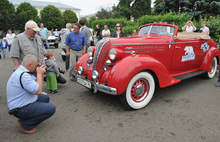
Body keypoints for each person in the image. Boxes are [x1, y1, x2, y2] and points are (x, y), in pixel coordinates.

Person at [6, 54, 56, 134]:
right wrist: (39, 74)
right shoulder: (23, 76)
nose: (37, 67)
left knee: (45, 98)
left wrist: (39, 74)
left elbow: (35, 84)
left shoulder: (21, 70)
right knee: (51, 109)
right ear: (30, 65)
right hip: (19, 108)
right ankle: (25, 125)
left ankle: (25, 117)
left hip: (19, 102)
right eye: (36, 65)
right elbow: (38, 91)